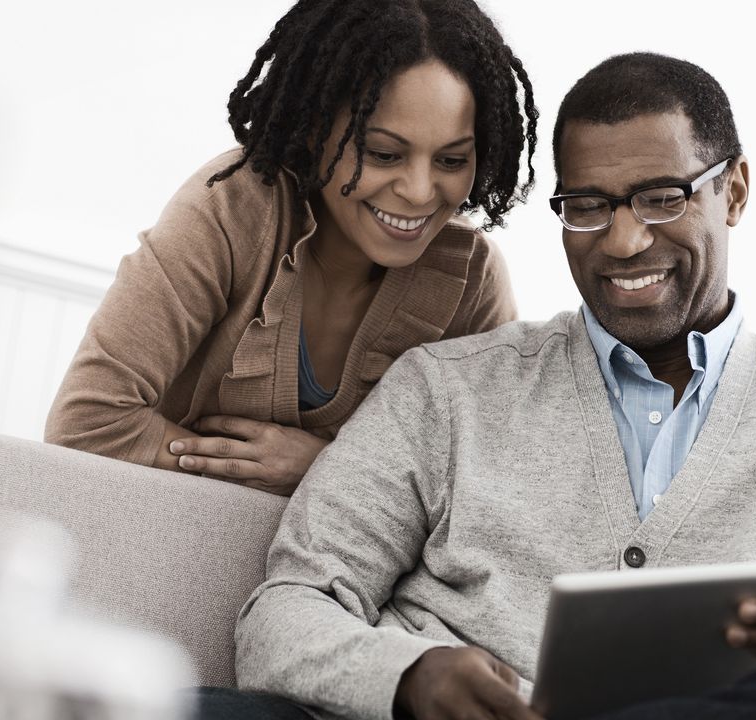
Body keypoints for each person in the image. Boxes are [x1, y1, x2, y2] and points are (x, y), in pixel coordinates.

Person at [217, 53, 756, 719]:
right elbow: (282, 612)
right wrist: (407, 677)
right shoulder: (445, 390)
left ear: (732, 191)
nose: (622, 242)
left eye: (660, 198)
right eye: (587, 206)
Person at [45, 0, 537, 495]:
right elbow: (86, 424)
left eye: (451, 161)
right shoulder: (231, 211)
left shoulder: (471, 283)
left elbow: (492, 492)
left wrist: (331, 466)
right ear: (315, 127)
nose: (418, 191)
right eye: (384, 154)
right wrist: (328, 485)